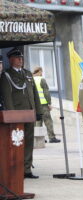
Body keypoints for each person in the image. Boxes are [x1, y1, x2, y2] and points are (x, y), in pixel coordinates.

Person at [0, 48, 42, 178]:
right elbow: (7, 96)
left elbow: (35, 94)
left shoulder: (28, 73)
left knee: (29, 142)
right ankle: (16, 169)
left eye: (21, 58)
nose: (20, 60)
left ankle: (27, 169)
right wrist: (12, 114)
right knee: (17, 142)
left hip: (29, 112)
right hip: (17, 114)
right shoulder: (7, 75)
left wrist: (38, 111)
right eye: (18, 58)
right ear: (11, 59)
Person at [32, 67, 60, 143]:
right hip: (43, 104)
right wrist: (49, 103)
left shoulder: (31, 79)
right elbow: (46, 93)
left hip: (35, 105)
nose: (42, 73)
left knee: (38, 121)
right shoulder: (42, 80)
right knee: (48, 121)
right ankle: (52, 137)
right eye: (42, 72)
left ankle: (40, 138)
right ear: (39, 71)